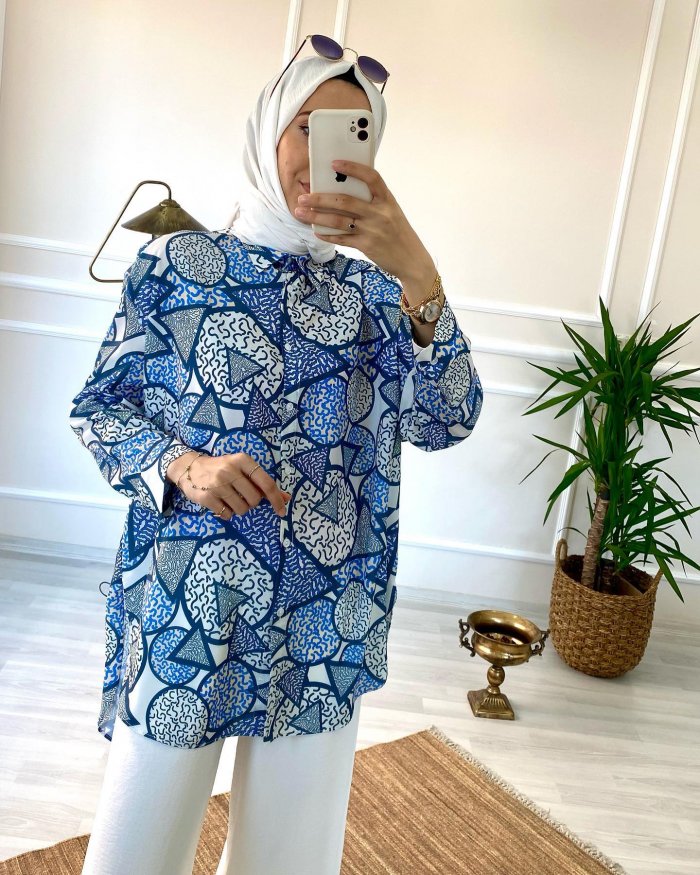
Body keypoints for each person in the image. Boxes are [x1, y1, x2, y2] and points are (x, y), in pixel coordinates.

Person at [69, 49, 483, 875]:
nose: (324, 152)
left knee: (290, 858)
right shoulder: (178, 265)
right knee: (136, 847)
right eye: (307, 127)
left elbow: (447, 417)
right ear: (269, 133)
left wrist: (421, 274)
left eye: (353, 133)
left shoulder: (379, 297)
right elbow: (101, 408)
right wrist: (182, 465)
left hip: (328, 615)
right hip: (189, 600)